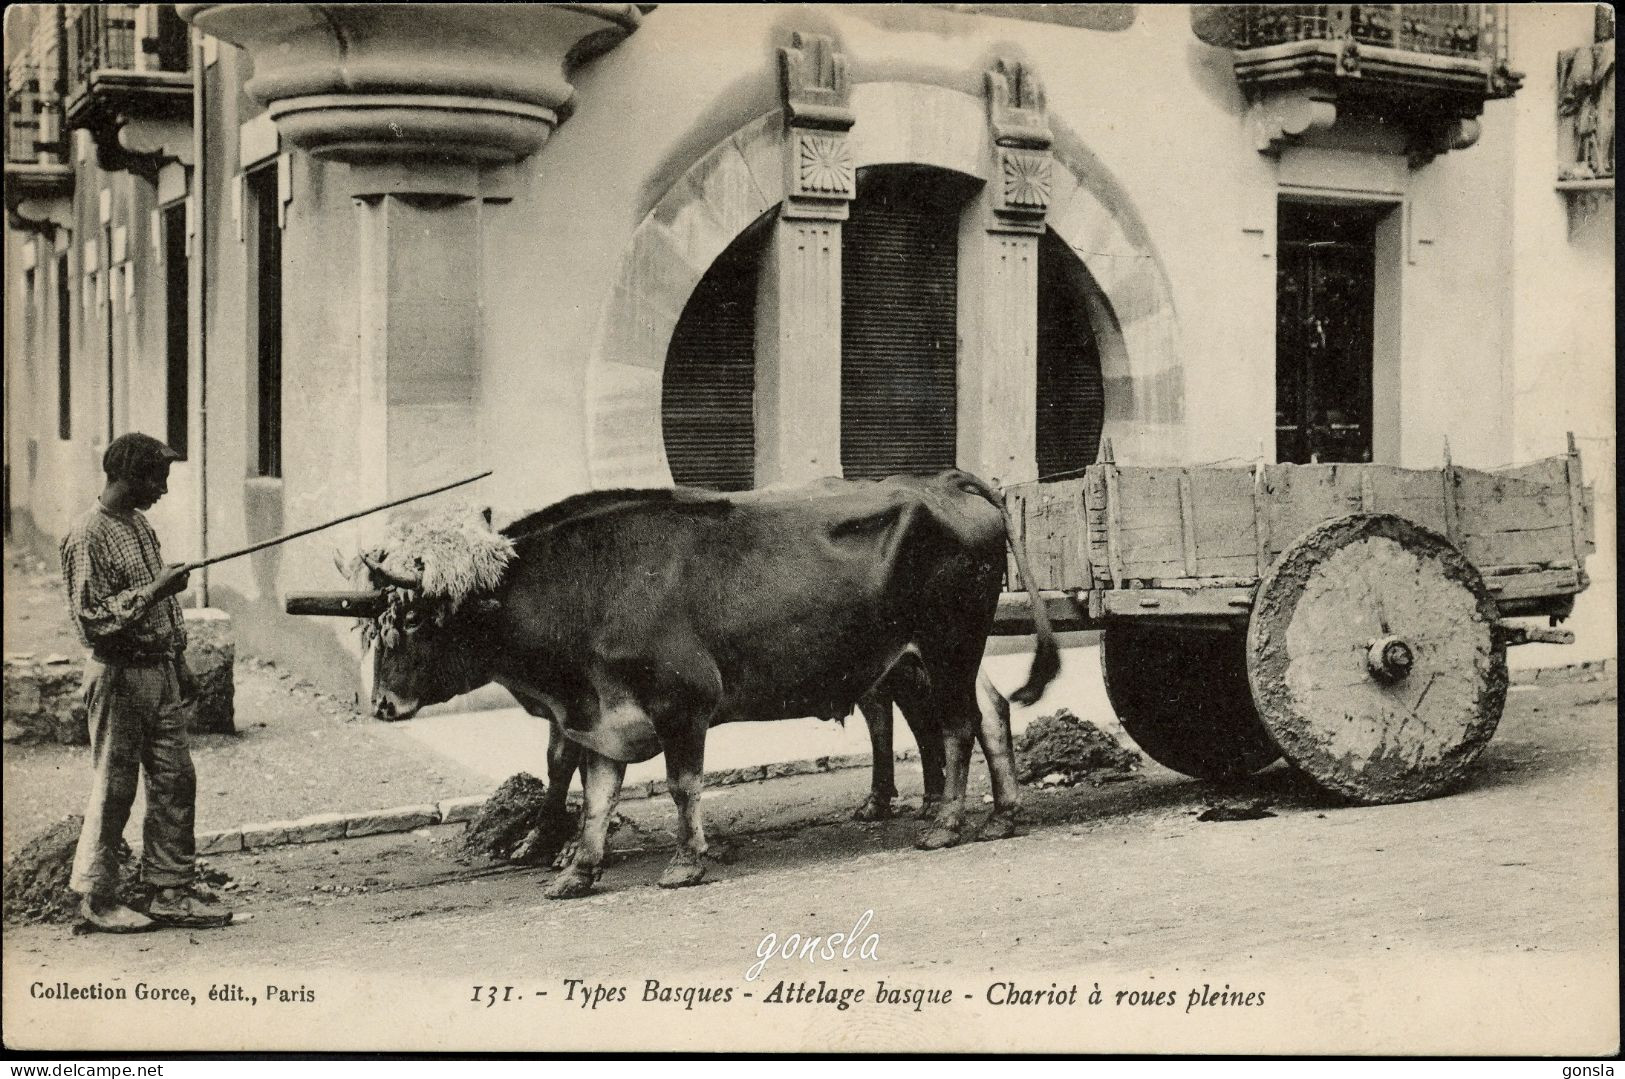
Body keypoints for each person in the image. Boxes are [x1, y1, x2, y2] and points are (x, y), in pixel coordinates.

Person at [60, 432, 230, 932]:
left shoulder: (138, 525)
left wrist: (178, 665)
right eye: (158, 479)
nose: (164, 490)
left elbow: (163, 610)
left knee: (177, 780)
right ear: (129, 476)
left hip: (157, 673)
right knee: (115, 789)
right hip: (117, 675)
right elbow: (93, 620)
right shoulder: (87, 534)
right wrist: (159, 588)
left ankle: (169, 890)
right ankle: (98, 897)